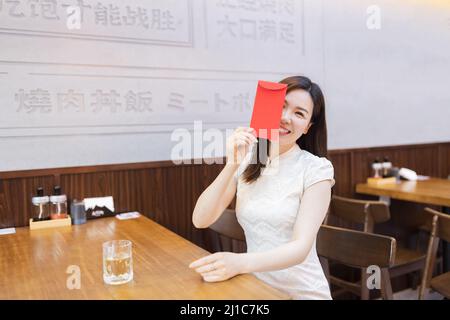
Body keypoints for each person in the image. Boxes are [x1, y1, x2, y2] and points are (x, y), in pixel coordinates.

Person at [189, 76, 335, 300]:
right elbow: (201, 219)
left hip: (301, 293)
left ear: (308, 127)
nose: (285, 118)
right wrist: (232, 164)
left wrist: (239, 262)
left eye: (299, 113)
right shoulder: (250, 160)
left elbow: (300, 247)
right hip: (256, 290)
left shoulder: (317, 169)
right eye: (282, 106)